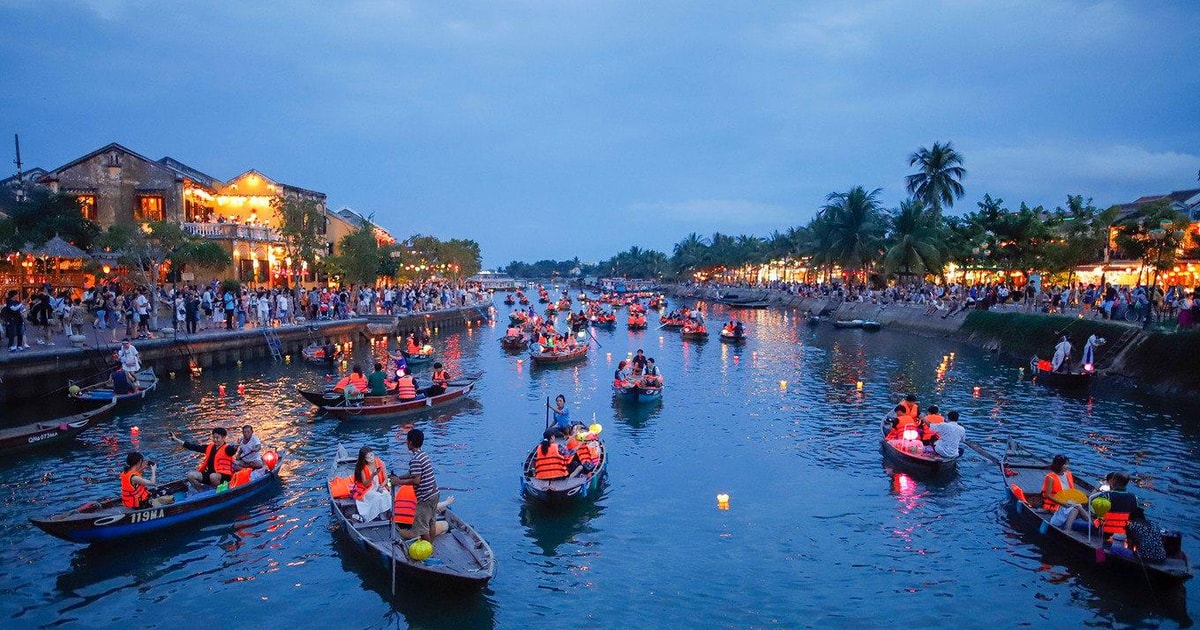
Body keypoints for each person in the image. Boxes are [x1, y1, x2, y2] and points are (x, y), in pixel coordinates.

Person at [389, 428, 440, 543]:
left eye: (407, 441)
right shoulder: (423, 455)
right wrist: (400, 477)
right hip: (434, 493)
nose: (406, 443)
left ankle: (428, 552)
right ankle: (431, 546)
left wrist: (398, 482)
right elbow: (413, 473)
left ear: (410, 443)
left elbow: (416, 480)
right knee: (431, 522)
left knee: (422, 528)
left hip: (425, 497)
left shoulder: (415, 460)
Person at [171, 428, 239, 490]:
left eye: (217, 438)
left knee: (213, 476)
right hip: (209, 475)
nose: (215, 440)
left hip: (224, 477)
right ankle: (202, 492)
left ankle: (223, 490)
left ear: (224, 437)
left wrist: (235, 448)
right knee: (190, 475)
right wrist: (176, 439)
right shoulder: (209, 447)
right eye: (214, 437)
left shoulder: (227, 449)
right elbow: (193, 447)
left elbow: (232, 451)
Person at [349, 446, 393, 522]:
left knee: (386, 495)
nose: (371, 458)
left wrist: (381, 486)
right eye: (368, 457)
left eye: (371, 455)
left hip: (379, 486)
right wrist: (373, 475)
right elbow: (365, 484)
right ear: (364, 459)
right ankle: (367, 518)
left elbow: (386, 479)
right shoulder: (362, 468)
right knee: (377, 497)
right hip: (367, 489)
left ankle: (384, 515)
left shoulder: (381, 463)